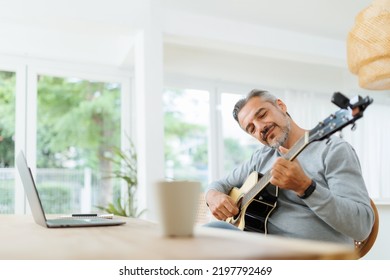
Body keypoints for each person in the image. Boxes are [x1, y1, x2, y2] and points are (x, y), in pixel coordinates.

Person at [205, 89, 375, 245]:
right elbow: (219, 185)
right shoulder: (261, 157)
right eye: (251, 129)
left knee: (210, 233)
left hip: (316, 259)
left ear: (281, 106)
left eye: (262, 114)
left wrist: (306, 188)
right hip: (261, 254)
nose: (260, 128)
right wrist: (212, 196)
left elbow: (362, 227)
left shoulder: (332, 150)